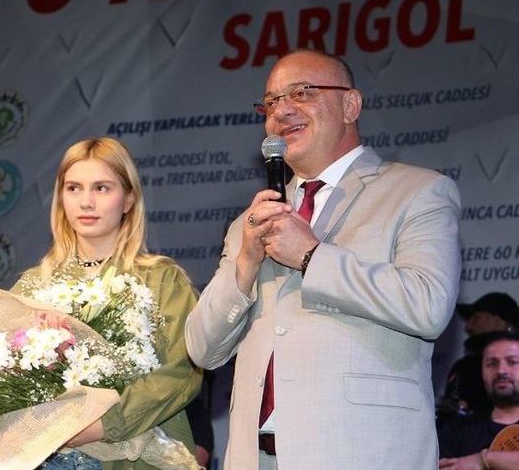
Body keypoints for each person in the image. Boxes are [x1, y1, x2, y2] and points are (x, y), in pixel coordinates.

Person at [185, 49, 461, 469]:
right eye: (271, 102)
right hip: (255, 456)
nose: (282, 111)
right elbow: (203, 350)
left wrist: (312, 256)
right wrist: (244, 264)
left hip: (360, 451)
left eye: (302, 93)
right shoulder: (252, 219)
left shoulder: (418, 192)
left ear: (350, 105)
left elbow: (428, 305)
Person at [10, 136, 203, 469]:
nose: (86, 202)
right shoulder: (31, 286)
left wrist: (103, 424)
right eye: (73, 188)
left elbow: (183, 371)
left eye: (102, 188)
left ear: (128, 199)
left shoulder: (162, 279)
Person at [439, 331, 519, 469]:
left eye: (512, 362)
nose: (501, 370)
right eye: (491, 363)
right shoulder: (457, 429)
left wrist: (482, 459)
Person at [442, 293, 519, 417]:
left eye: (476, 317)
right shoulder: (464, 367)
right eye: (491, 364)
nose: (468, 327)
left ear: (500, 320)